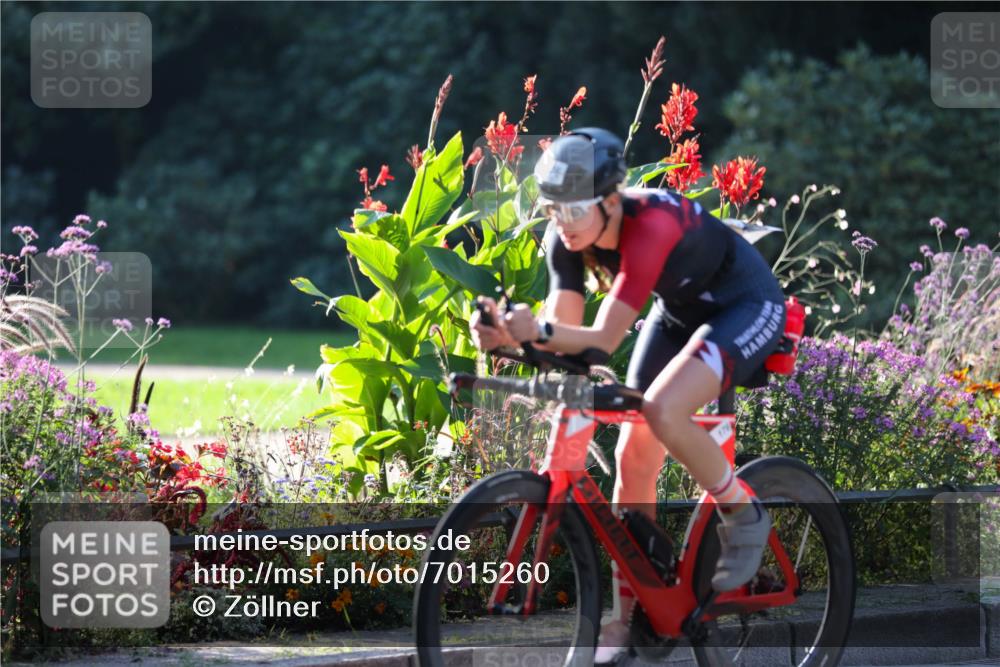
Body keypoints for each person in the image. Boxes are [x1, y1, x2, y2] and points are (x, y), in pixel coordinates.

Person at [469, 128, 787, 664]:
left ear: (611, 201)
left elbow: (604, 340)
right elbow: (570, 341)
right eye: (552, 210)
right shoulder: (565, 240)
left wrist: (537, 333)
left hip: (744, 305)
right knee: (631, 456)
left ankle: (744, 511)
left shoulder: (648, 227)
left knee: (663, 409)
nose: (562, 223)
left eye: (575, 211)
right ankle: (629, 619)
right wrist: (507, 335)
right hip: (680, 311)